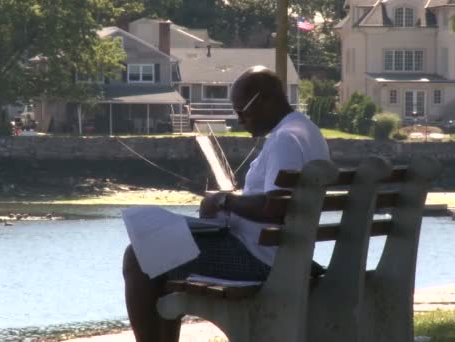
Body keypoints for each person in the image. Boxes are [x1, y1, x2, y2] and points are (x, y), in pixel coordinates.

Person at [122, 66, 330, 342]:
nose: (240, 119)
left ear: (266, 99)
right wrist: (230, 203)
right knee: (156, 253)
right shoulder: (305, 129)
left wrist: (224, 200)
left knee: (138, 256)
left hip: (261, 262)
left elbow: (275, 208)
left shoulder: (285, 139)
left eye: (242, 110)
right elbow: (280, 199)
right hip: (283, 254)